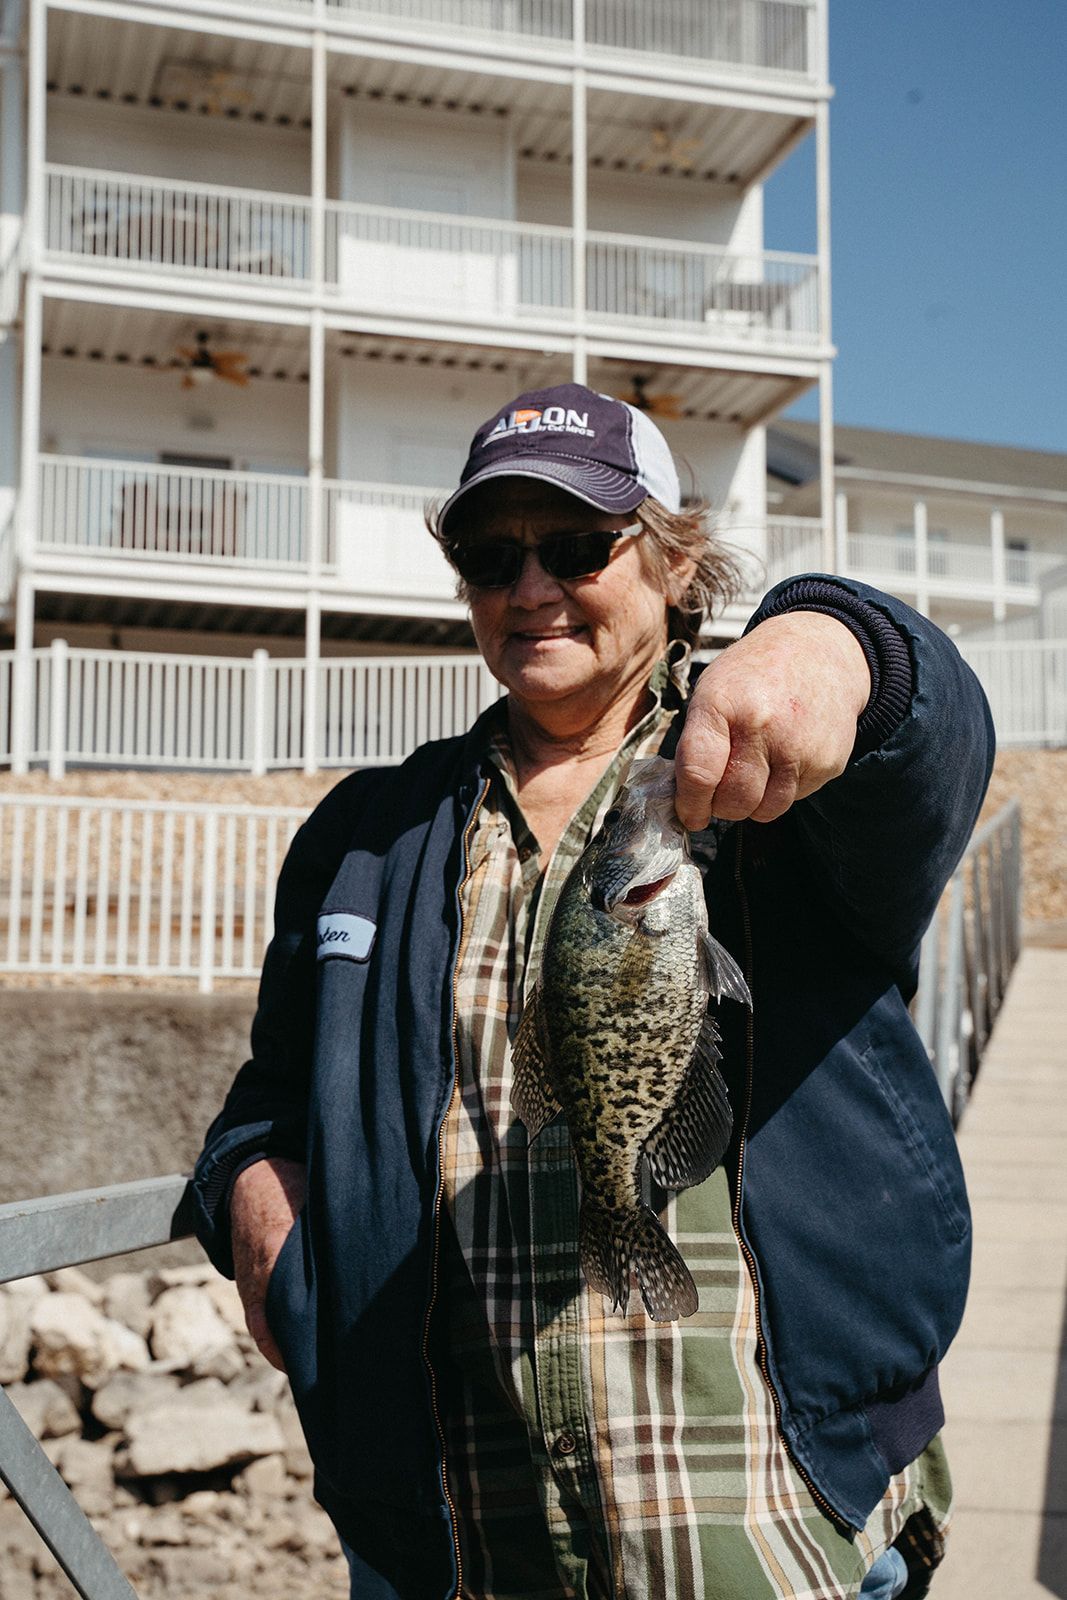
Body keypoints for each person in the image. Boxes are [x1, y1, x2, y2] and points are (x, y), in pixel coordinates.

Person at [191, 384, 994, 1600]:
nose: (528, 588)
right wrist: (255, 1186)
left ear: (675, 565)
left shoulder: (771, 781)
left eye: (574, 546)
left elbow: (925, 743)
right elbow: (272, 1095)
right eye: (489, 553)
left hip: (762, 1531)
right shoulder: (365, 835)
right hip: (450, 1540)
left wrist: (836, 644)